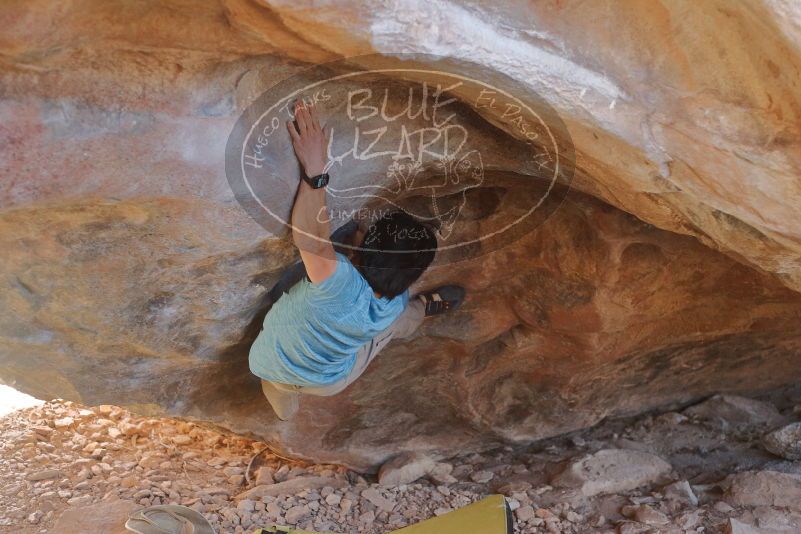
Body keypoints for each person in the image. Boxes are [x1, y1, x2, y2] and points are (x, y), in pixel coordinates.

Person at [248, 100, 465, 420]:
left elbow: (312, 238)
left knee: (280, 397)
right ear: (412, 277)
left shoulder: (337, 282)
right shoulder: (392, 303)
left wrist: (315, 170)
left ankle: (285, 414)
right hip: (328, 382)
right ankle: (422, 308)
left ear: (361, 247)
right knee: (393, 324)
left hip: (271, 368)